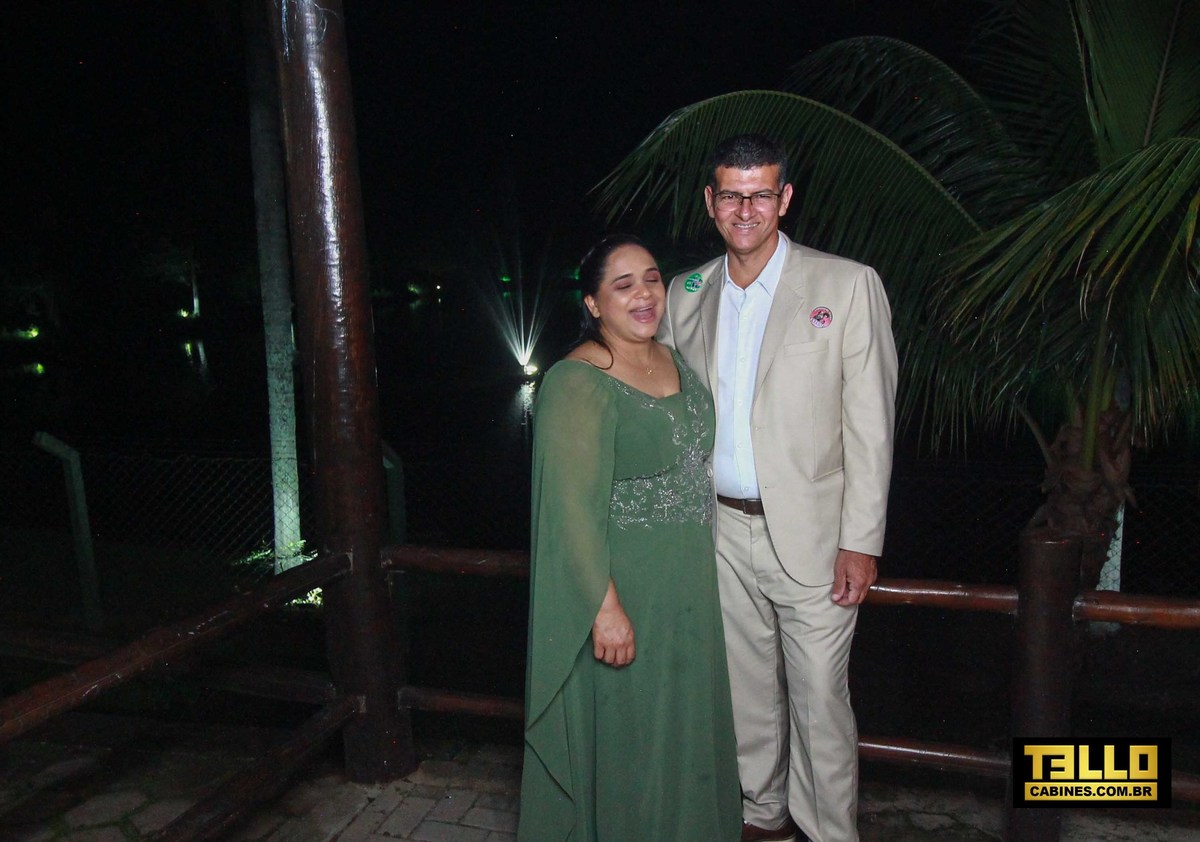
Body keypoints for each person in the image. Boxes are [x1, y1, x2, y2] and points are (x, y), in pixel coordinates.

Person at [658, 135, 898, 842]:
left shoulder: (846, 285)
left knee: (820, 699)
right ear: (710, 202)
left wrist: (861, 541)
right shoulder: (686, 293)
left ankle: (827, 833)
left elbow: (871, 426)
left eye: (761, 193)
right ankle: (761, 818)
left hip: (816, 537)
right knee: (744, 693)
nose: (746, 209)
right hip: (719, 530)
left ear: (785, 199)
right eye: (732, 195)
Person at [517, 234, 741, 842]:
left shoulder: (672, 357)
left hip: (687, 585)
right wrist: (604, 608)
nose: (644, 294)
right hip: (626, 588)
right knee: (633, 737)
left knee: (683, 725)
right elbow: (569, 511)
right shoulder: (577, 380)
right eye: (623, 285)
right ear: (593, 303)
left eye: (651, 278)